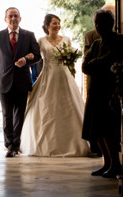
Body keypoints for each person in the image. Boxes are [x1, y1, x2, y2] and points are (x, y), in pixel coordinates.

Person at [20, 14, 91, 157]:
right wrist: (26, 59)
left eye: (58, 23)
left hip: (64, 76)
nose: (57, 26)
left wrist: (72, 69)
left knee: (69, 108)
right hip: (48, 75)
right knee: (46, 109)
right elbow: (35, 55)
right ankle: (46, 145)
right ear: (47, 26)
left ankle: (73, 144)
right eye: (54, 23)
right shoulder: (41, 41)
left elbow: (70, 61)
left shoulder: (66, 40)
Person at [82, 8, 123, 177]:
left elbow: (113, 59)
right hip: (94, 90)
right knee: (96, 130)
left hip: (109, 91)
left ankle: (115, 164)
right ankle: (107, 162)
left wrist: (97, 63)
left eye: (102, 23)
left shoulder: (119, 40)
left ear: (111, 24)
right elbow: (85, 66)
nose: (99, 26)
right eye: (96, 23)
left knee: (108, 130)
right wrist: (100, 62)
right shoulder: (96, 43)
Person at [0, 7, 40, 157]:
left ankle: (15, 146)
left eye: (16, 16)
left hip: (22, 81)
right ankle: (8, 143)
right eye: (10, 16)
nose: (13, 18)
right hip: (4, 81)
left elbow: (37, 55)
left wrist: (26, 59)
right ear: (5, 19)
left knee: (19, 115)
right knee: (6, 115)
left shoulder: (28, 35)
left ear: (20, 18)